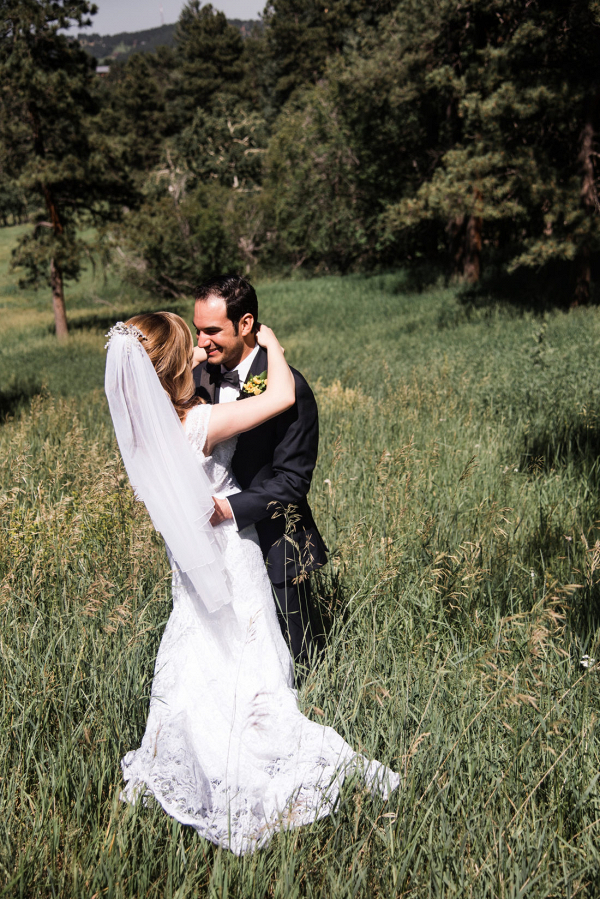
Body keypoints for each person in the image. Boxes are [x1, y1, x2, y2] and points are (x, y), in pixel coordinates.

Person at [104, 312, 399, 855]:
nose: (201, 351)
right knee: (246, 648)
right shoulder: (197, 425)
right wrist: (273, 345)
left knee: (199, 644)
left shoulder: (146, 427)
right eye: (190, 347)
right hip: (227, 552)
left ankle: (183, 748)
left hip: (187, 566)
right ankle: (252, 751)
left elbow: (179, 384)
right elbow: (280, 396)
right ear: (171, 371)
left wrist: (185, 360)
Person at [192, 275, 327, 670]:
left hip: (276, 543)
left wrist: (226, 508)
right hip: (212, 550)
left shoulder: (289, 386)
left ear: (246, 324)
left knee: (297, 663)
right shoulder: (199, 376)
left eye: (212, 331)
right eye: (197, 330)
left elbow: (292, 482)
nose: (202, 341)